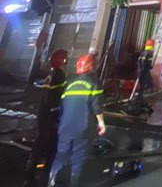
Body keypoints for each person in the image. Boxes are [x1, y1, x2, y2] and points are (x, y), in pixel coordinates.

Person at [48, 54, 105, 187]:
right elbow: (97, 106)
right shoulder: (94, 82)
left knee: (61, 155)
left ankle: (51, 182)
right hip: (82, 127)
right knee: (78, 157)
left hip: (65, 126)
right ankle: (73, 183)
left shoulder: (69, 82)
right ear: (92, 67)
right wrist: (101, 123)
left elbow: (62, 105)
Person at [23, 50, 68, 187]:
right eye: (65, 59)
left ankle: (30, 174)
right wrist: (57, 114)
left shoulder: (52, 74)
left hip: (44, 115)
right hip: (50, 117)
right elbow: (55, 98)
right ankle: (43, 177)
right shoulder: (58, 75)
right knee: (49, 147)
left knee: (40, 143)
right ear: (62, 61)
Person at [136, 39, 154, 111]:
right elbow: (145, 63)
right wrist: (148, 67)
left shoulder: (142, 52)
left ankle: (140, 98)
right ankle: (140, 98)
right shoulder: (149, 53)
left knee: (142, 86)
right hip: (144, 71)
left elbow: (139, 62)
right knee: (145, 84)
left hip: (141, 71)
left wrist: (140, 70)